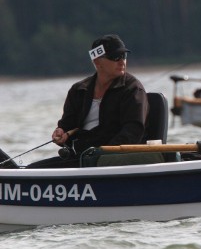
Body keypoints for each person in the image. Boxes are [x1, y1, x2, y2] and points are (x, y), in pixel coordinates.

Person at [28, 35, 149, 168]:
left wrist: (102, 153)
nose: (122, 62)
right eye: (115, 57)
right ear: (97, 61)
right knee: (30, 170)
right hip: (82, 158)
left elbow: (133, 131)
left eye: (124, 56)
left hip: (114, 160)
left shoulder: (133, 89)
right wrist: (61, 133)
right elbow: (66, 126)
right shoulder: (78, 90)